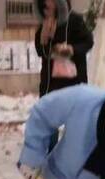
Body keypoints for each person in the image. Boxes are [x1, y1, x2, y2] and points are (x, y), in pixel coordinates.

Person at [34, 0, 93, 150]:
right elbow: (41, 51)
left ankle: (72, 155)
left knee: (74, 124)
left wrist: (71, 49)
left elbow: (88, 42)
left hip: (72, 81)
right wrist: (44, 38)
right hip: (50, 83)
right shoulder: (45, 22)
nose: (47, 3)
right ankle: (50, 155)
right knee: (49, 122)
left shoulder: (74, 20)